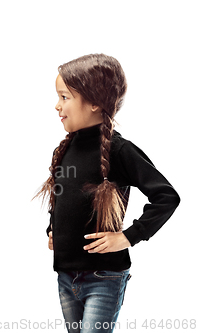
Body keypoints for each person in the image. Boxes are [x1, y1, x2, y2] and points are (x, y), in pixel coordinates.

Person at [34, 54, 180, 333]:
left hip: (104, 277)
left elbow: (166, 197)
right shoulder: (63, 151)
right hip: (66, 276)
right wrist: (53, 231)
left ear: (94, 103)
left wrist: (128, 237)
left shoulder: (119, 150)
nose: (56, 105)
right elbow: (63, 201)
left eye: (64, 97)